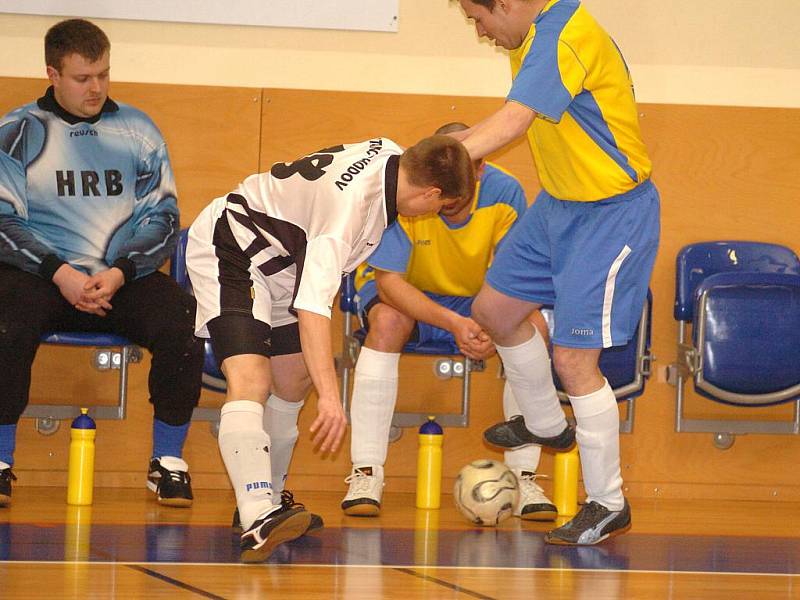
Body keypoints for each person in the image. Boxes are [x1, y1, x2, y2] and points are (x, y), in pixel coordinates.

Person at [185, 135, 475, 562]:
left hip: (283, 262)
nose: (434, 213)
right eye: (440, 205)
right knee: (251, 378)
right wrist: (332, 399)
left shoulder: (396, 154)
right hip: (233, 248)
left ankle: (268, 494)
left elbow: (457, 146)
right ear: (431, 192)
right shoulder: (348, 214)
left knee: (294, 378)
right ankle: (256, 516)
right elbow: (314, 310)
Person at [451, 0, 660, 545]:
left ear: (510, 3)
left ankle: (608, 502)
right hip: (559, 206)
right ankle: (544, 422)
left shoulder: (563, 34)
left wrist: (428, 166)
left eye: (480, 18)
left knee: (573, 359)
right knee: (494, 310)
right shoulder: (532, 34)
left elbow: (513, 121)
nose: (481, 31)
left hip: (611, 214)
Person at [0, 19, 204, 509]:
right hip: (41, 275)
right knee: (6, 324)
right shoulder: (18, 131)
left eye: (104, 75)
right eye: (82, 78)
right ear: (52, 73)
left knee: (182, 318)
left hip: (119, 278)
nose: (96, 88)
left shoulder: (138, 130)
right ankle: (1, 461)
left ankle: (167, 463)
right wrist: (62, 274)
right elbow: (4, 222)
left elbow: (163, 216)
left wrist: (118, 272)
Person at [342, 122, 557, 522]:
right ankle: (366, 472)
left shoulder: (506, 192)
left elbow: (515, 278)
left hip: (473, 294)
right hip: (402, 288)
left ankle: (524, 476)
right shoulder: (406, 188)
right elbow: (389, 283)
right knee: (387, 323)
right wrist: (456, 324)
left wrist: (491, 323)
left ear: (479, 169)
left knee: (534, 329)